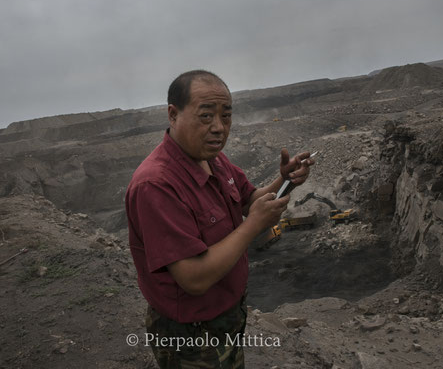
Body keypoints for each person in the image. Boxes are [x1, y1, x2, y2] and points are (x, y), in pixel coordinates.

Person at [125, 70, 314, 368]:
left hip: (227, 317)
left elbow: (249, 198)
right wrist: (253, 225)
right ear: (173, 115)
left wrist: (284, 180)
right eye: (206, 116)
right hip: (191, 334)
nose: (219, 128)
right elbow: (194, 278)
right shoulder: (156, 185)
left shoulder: (213, 159)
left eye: (226, 116)